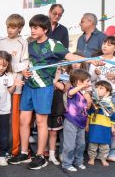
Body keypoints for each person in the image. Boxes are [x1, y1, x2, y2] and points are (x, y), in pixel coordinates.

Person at [8, 14, 100, 170]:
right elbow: (24, 64)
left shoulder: (53, 44)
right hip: (29, 86)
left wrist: (91, 60)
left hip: (44, 87)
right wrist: (24, 72)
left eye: (36, 27)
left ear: (45, 29)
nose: (32, 30)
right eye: (31, 27)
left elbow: (70, 56)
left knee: (41, 121)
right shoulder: (29, 45)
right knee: (24, 120)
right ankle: (24, 152)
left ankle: (40, 156)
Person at [89, 36, 115, 162]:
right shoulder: (95, 60)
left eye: (110, 44)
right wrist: (96, 73)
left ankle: (114, 152)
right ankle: (93, 150)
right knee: (96, 120)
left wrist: (114, 77)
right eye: (104, 43)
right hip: (99, 96)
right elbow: (91, 80)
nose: (105, 46)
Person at [0, 14, 29, 156]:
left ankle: (14, 150)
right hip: (2, 85)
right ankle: (1, 148)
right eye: (8, 27)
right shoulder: (1, 42)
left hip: (15, 86)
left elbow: (25, 64)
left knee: (14, 118)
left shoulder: (23, 42)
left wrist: (10, 67)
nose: (10, 30)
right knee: (1, 117)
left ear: (20, 28)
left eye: (13, 27)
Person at [0, 51, 24, 166]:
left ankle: (1, 155)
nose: (0, 68)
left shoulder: (8, 76)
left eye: (4, 66)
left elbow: (10, 91)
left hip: (4, 110)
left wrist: (15, 85)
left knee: (3, 135)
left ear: (7, 65)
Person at [61, 69, 92, 172]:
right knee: (70, 145)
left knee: (81, 144)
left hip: (81, 122)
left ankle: (78, 162)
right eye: (87, 81)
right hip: (71, 121)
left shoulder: (85, 93)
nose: (89, 83)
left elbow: (87, 108)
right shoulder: (73, 90)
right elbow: (70, 92)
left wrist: (88, 100)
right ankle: (67, 163)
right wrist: (81, 88)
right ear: (79, 82)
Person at [87, 80, 115, 166]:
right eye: (96, 88)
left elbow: (113, 117)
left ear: (108, 92)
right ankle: (91, 158)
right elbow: (89, 114)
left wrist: (113, 127)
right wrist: (87, 125)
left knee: (105, 144)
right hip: (94, 126)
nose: (98, 90)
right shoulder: (93, 102)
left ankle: (103, 158)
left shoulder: (110, 104)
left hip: (105, 127)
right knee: (92, 143)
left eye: (101, 88)